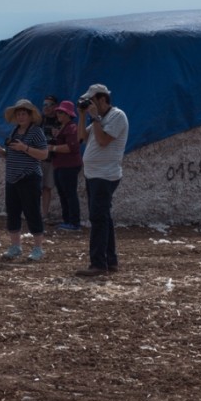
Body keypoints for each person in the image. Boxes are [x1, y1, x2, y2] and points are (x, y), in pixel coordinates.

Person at [75, 84, 129, 277]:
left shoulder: (117, 116)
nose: (90, 104)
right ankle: (111, 261)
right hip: (94, 174)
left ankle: (98, 264)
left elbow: (103, 140)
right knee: (104, 218)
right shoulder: (100, 119)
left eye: (92, 100)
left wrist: (95, 117)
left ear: (102, 99)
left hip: (105, 175)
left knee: (98, 219)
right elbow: (81, 137)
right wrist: (82, 115)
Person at [0, 99, 48, 262]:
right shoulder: (14, 132)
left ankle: (38, 248)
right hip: (12, 178)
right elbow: (12, 155)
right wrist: (2, 153)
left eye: (24, 114)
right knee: (13, 212)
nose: (21, 117)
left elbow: (44, 154)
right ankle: (15, 246)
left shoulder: (36, 132)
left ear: (30, 116)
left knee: (32, 212)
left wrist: (26, 148)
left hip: (29, 177)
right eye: (18, 114)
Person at [47, 100, 83, 231]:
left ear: (68, 115)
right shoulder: (64, 127)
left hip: (69, 165)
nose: (58, 115)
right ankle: (67, 220)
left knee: (69, 193)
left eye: (61, 112)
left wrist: (53, 148)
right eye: (58, 112)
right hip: (61, 165)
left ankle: (74, 222)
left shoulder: (72, 128)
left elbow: (71, 147)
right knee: (63, 193)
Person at [40, 95, 60, 222]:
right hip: (37, 158)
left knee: (47, 187)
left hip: (51, 159)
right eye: (44, 105)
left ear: (55, 107)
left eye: (49, 105)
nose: (46, 107)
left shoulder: (60, 121)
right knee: (35, 186)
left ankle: (44, 214)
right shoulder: (39, 121)